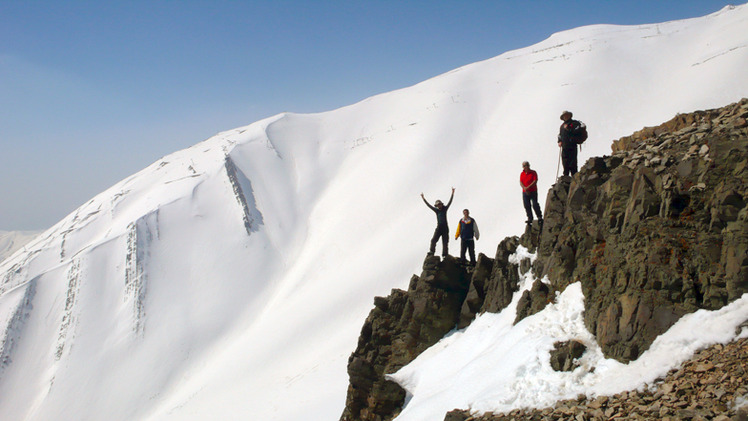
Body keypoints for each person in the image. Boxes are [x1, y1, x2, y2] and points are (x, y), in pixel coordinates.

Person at [421, 188, 455, 258]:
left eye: (440, 204)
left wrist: (452, 193)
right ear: (437, 206)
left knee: (445, 242)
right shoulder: (437, 211)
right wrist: (423, 199)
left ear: (441, 204)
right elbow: (429, 206)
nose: (439, 206)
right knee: (433, 240)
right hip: (439, 228)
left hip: (445, 228)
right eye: (438, 205)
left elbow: (450, 202)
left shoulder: (445, 209)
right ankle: (432, 252)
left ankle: (445, 255)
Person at [520, 161, 543, 225]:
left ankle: (539, 216)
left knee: (535, 204)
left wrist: (527, 187)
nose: (525, 167)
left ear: (529, 165)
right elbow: (521, 182)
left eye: (526, 165)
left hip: (533, 191)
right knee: (527, 205)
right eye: (524, 166)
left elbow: (535, 181)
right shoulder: (522, 174)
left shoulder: (533, 172)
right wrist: (524, 188)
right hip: (525, 192)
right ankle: (530, 218)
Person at [558, 110, 579, 176]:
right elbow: (560, 135)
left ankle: (574, 177)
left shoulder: (574, 123)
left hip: (572, 145)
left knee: (573, 163)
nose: (565, 116)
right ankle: (566, 177)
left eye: (566, 115)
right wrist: (559, 141)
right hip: (564, 147)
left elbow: (576, 131)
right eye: (564, 116)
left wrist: (568, 129)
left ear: (570, 116)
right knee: (565, 162)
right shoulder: (562, 126)